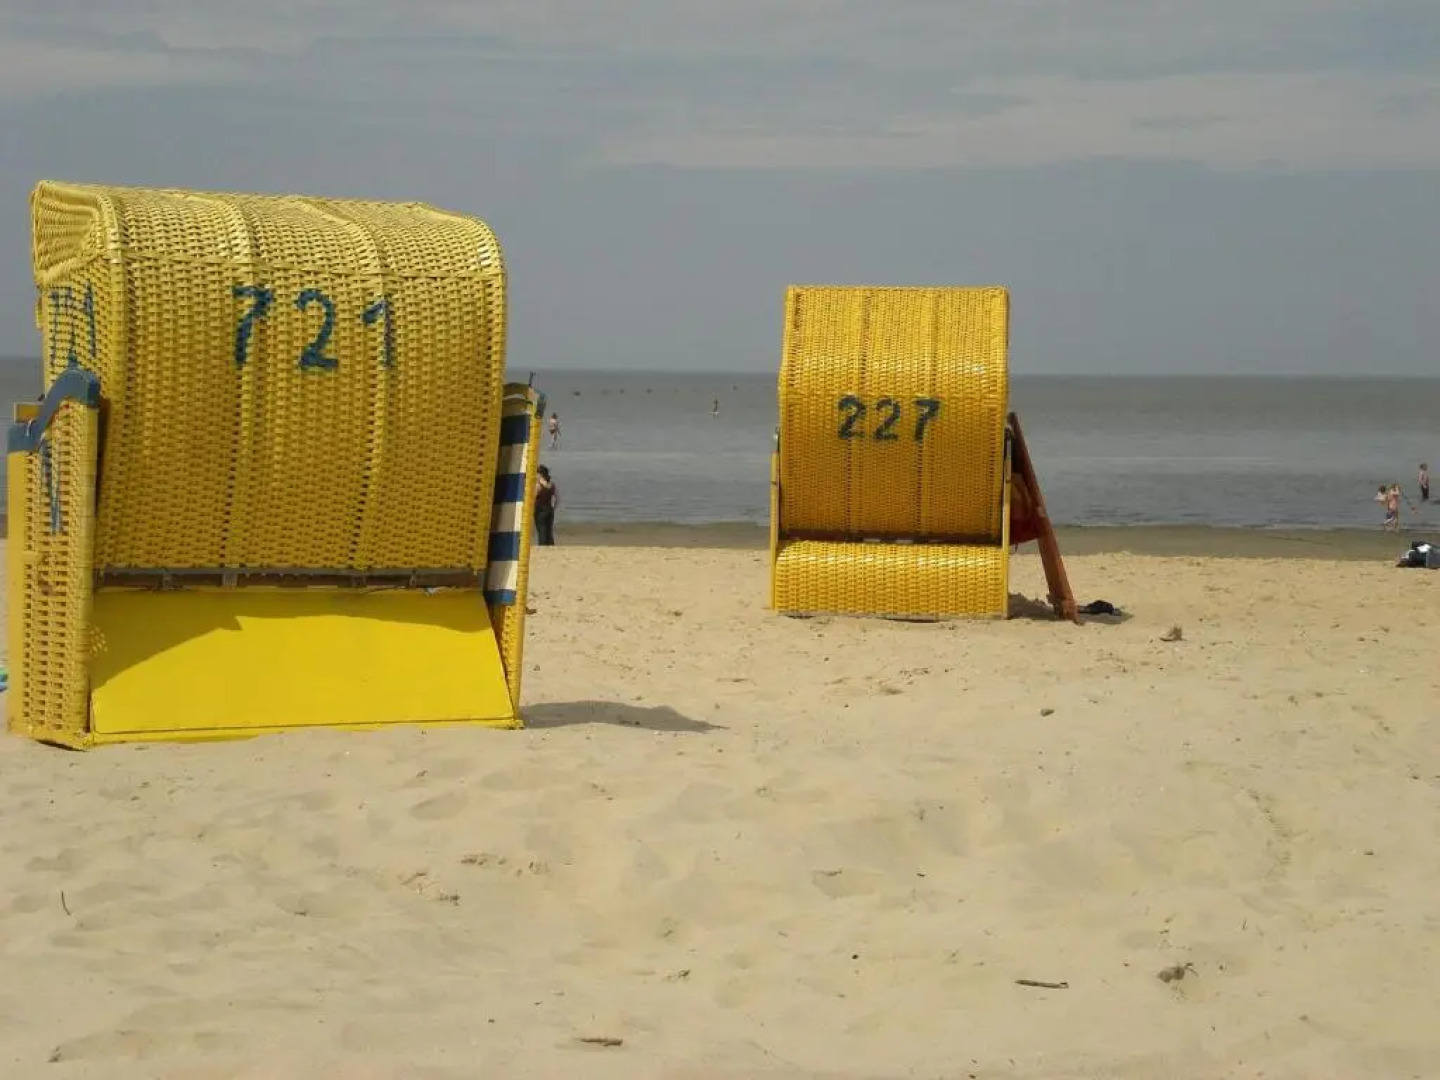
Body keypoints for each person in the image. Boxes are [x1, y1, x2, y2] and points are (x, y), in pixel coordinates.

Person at [534, 465, 557, 545]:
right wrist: (553, 508)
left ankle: (542, 548)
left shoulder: (538, 485)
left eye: (536, 473)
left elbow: (534, 497)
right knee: (549, 531)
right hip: (549, 509)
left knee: (541, 531)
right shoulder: (551, 484)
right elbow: (556, 498)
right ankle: (551, 548)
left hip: (540, 510)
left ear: (540, 474)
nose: (535, 475)